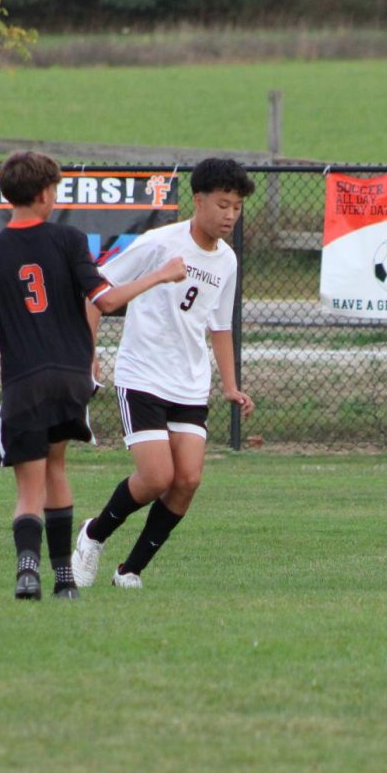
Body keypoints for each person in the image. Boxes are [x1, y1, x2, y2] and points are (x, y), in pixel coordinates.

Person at [0, 150, 188, 600]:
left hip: (24, 381)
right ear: (43, 194)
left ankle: (27, 570)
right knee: (56, 469)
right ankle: (64, 581)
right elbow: (107, 301)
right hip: (70, 378)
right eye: (54, 189)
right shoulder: (68, 240)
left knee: (28, 485)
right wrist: (159, 275)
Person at [73, 157, 256, 590]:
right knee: (157, 478)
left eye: (237, 207)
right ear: (198, 201)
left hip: (190, 382)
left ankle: (129, 570)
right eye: (223, 205)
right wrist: (88, 353)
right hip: (143, 376)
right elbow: (98, 292)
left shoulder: (227, 260)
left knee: (187, 480)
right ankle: (93, 535)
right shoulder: (160, 244)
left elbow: (221, 324)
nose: (230, 215)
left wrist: (230, 385)